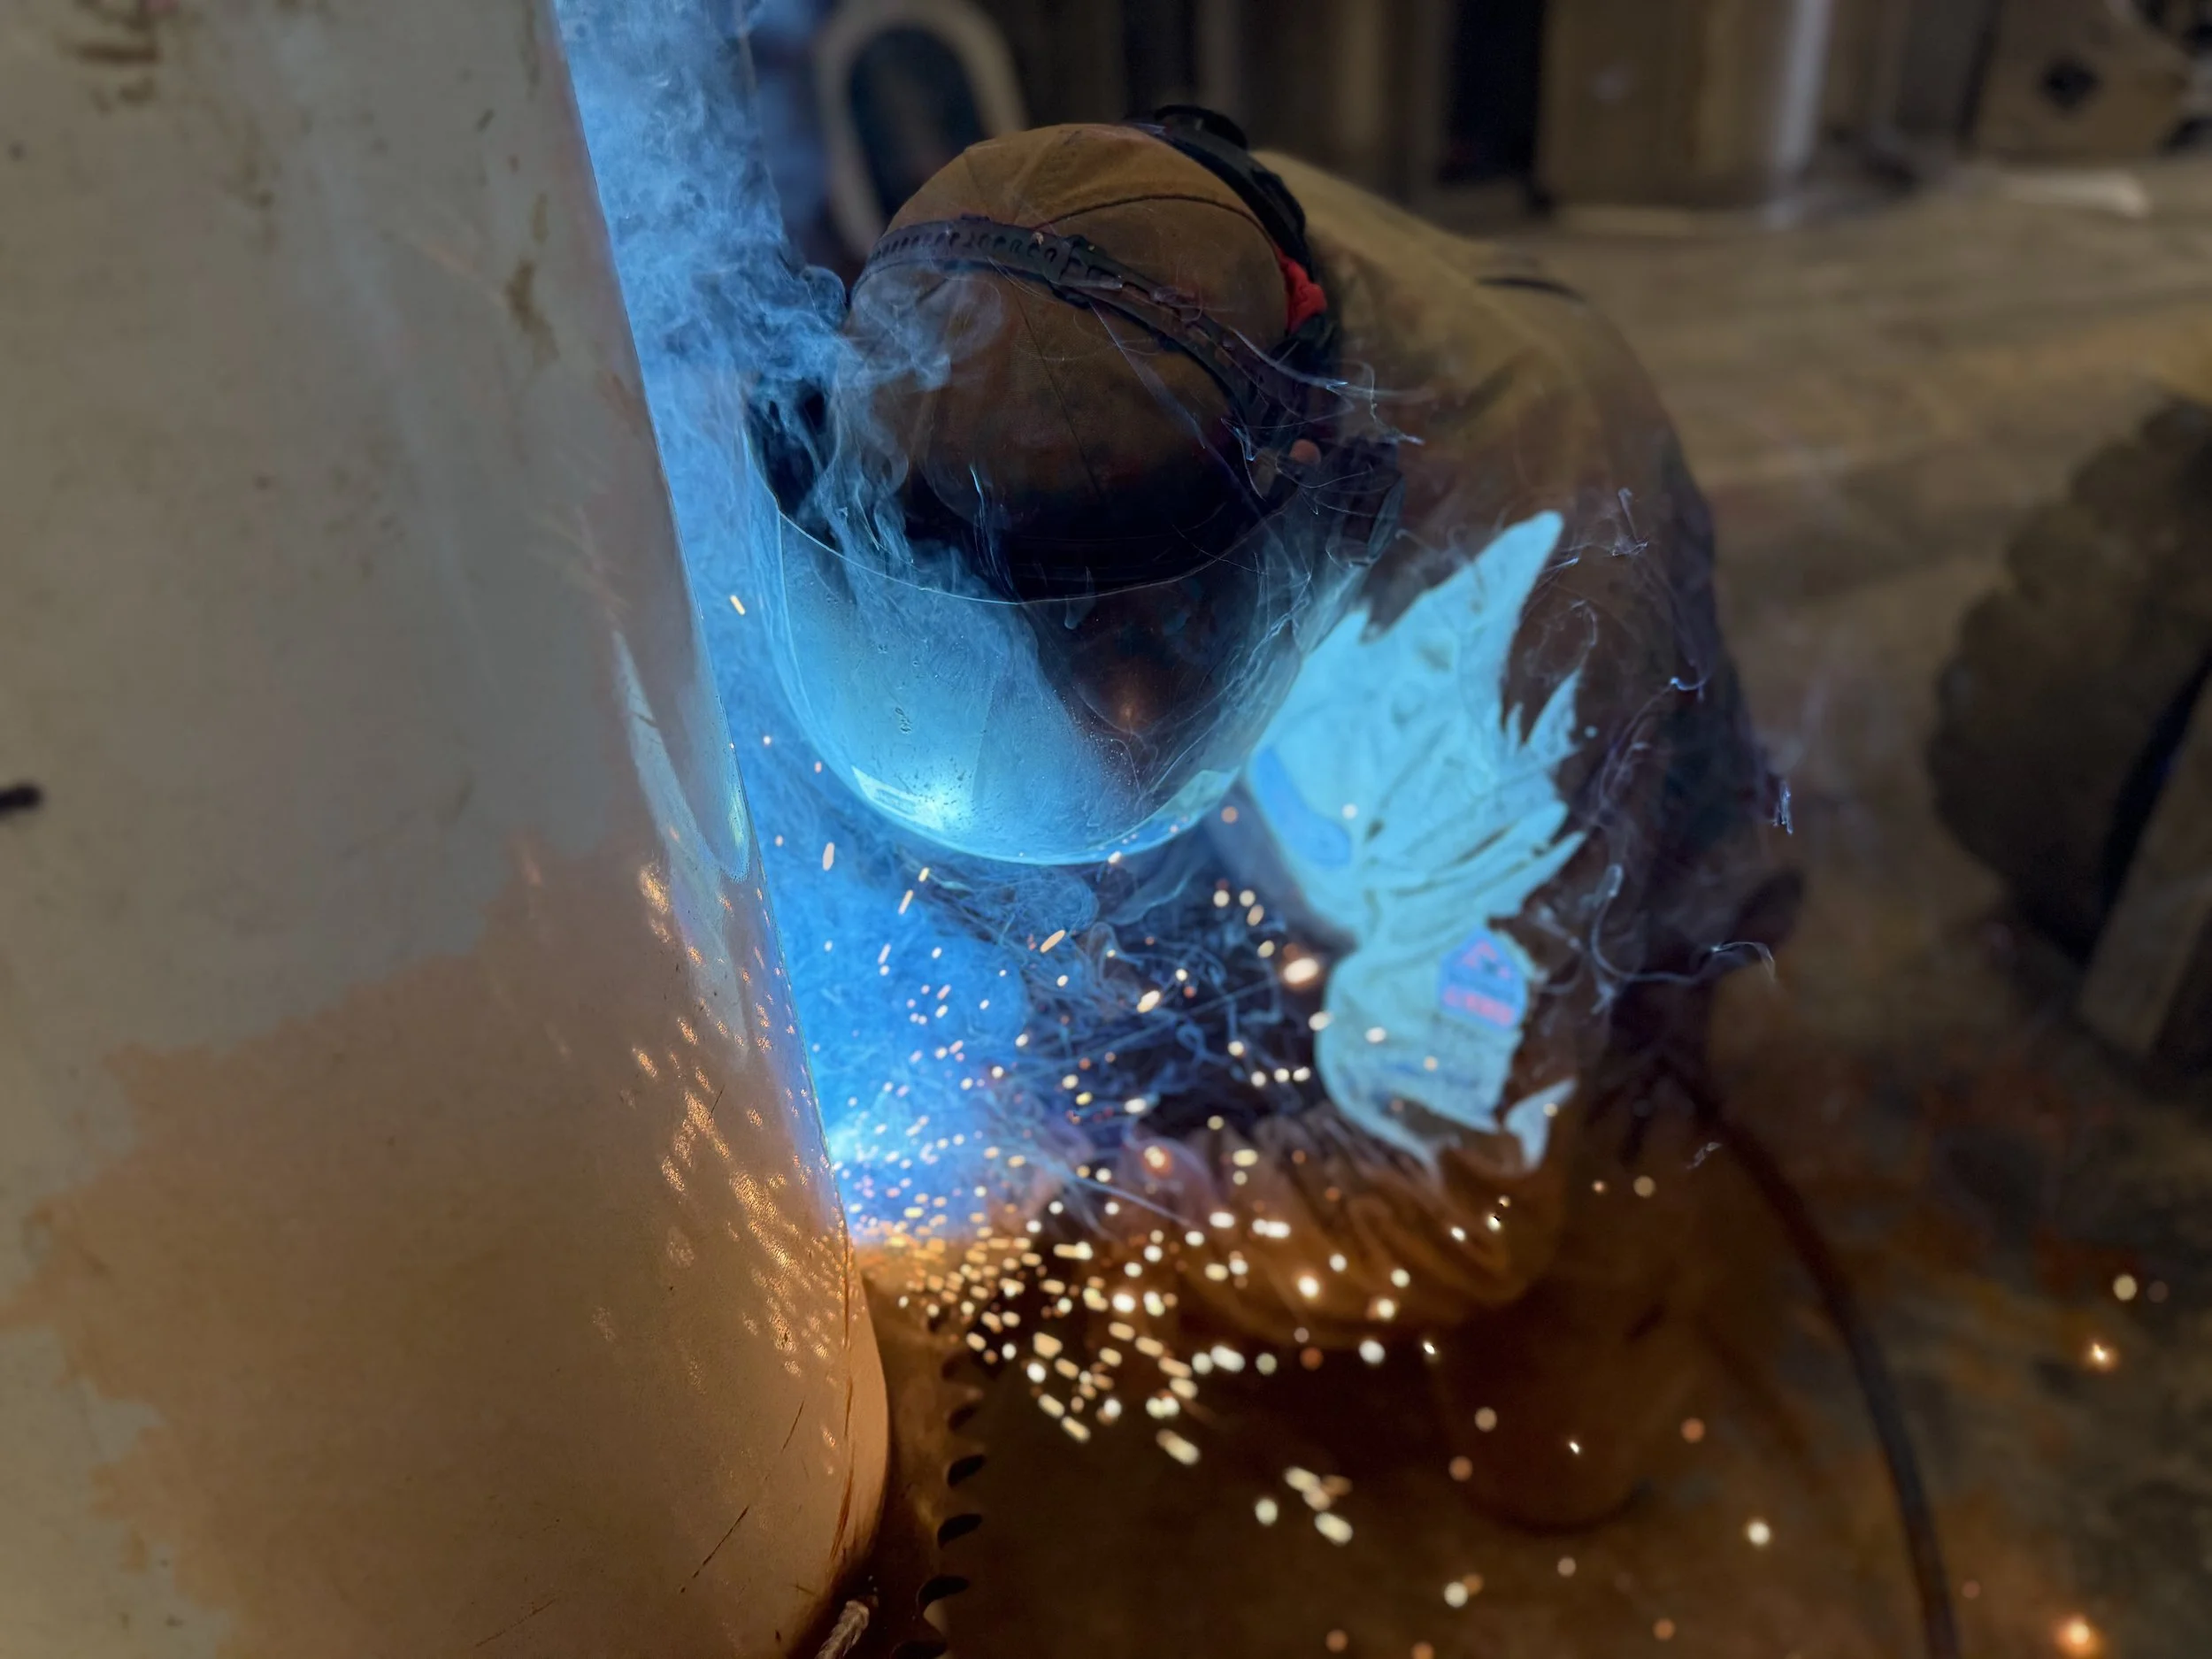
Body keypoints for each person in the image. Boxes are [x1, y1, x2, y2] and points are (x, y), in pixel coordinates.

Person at [754, 110, 1790, 1527]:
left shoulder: (1511, 643)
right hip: (1326, 803)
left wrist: (1071, 1212)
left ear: (1301, 529)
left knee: (1539, 1435)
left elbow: (1452, 1188)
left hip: (1606, 900)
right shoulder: (1098, 263)